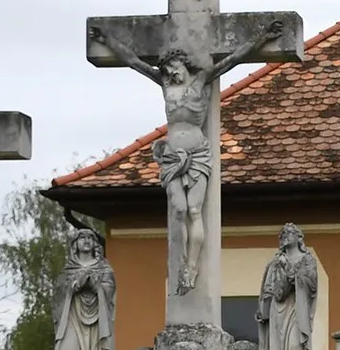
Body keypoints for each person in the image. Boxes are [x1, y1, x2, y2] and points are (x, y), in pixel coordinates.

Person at [90, 18, 287, 295]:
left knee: (195, 210)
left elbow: (234, 59)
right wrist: (107, 41)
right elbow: (133, 61)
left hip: (197, 155)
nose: (171, 74)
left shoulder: (202, 80)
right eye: (167, 71)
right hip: (172, 156)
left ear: (183, 64)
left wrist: (263, 37)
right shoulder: (165, 85)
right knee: (179, 210)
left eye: (173, 68)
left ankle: (191, 267)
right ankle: (182, 262)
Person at [51, 229, 119, 350]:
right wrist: (74, 286)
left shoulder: (104, 268)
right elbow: (58, 295)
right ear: (75, 244)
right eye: (82, 238)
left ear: (95, 244)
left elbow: (110, 289)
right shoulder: (68, 270)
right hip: (72, 315)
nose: (86, 241)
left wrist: (97, 286)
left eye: (90, 238)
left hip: (97, 317)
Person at [255, 224, 319, 350]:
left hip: (297, 308)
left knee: (295, 343)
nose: (285, 235)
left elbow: (310, 285)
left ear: (299, 238)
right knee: (276, 344)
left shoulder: (307, 260)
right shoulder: (274, 262)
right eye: (283, 233)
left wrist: (288, 269)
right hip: (277, 309)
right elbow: (268, 287)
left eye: (290, 233)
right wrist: (263, 308)